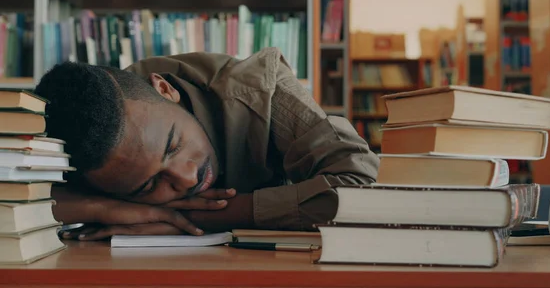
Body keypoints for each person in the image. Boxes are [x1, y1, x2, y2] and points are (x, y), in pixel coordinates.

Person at [34, 47, 380, 241]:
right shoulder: (89, 139)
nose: (185, 179)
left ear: (166, 90)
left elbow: (368, 191)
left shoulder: (261, 88)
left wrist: (191, 215)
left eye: (173, 145)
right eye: (149, 186)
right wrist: (104, 210)